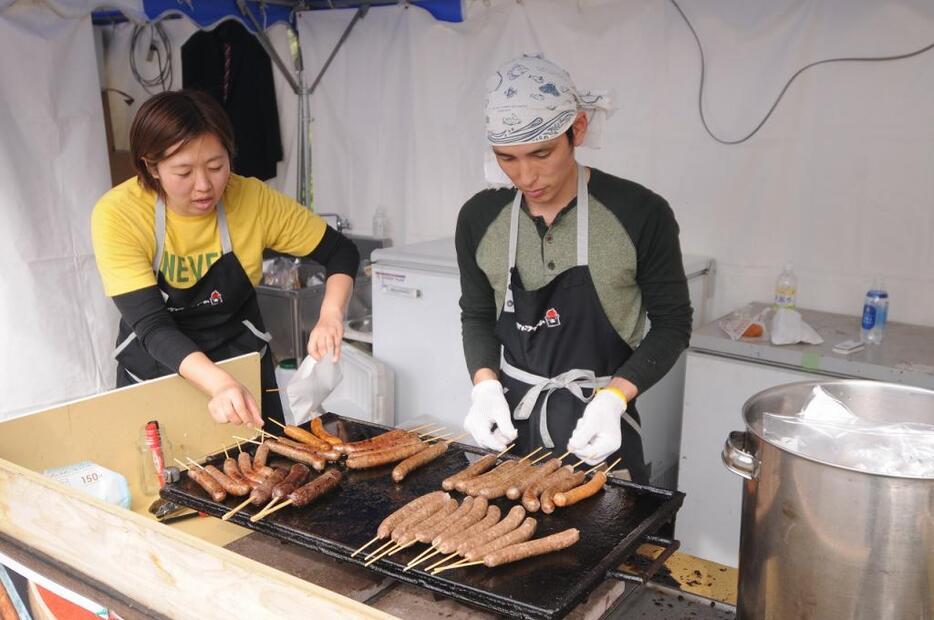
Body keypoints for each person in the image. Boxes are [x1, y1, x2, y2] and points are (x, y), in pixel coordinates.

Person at [456, 55, 692, 482]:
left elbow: (673, 324)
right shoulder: (478, 218)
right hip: (510, 428)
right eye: (507, 158)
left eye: (541, 153)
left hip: (599, 431)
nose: (526, 176)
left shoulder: (640, 212)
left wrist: (615, 398)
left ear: (577, 130)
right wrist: (485, 384)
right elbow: (476, 314)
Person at [92, 90, 359, 428]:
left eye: (216, 166)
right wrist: (218, 383)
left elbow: (340, 252)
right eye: (184, 172)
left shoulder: (251, 199)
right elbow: (153, 326)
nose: (204, 186)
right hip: (156, 372)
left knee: (273, 473)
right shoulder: (120, 214)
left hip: (242, 365)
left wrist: (331, 313)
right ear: (151, 166)